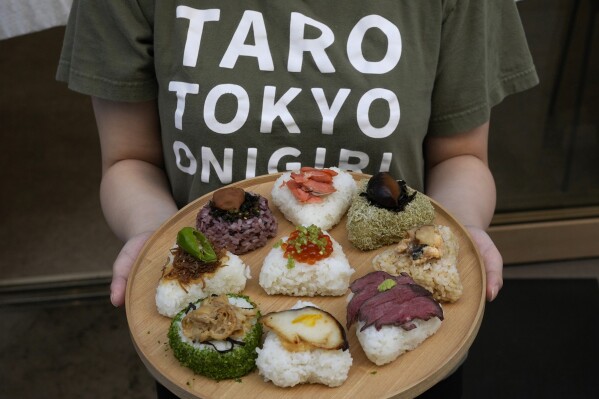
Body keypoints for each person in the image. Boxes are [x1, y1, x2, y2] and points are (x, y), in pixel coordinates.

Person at [57, 0, 538, 397]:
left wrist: (460, 232)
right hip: (215, 344)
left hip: (397, 331)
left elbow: (461, 157)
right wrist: (156, 235)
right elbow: (129, 160)